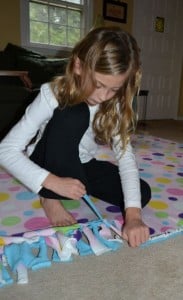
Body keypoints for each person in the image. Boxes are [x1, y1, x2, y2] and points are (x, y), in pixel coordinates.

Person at [0, 26, 151, 247]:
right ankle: (49, 197)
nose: (102, 96)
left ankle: (70, 186)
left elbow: (126, 161)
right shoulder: (52, 93)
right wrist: (52, 182)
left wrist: (134, 216)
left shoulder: (114, 104)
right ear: (79, 66)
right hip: (46, 162)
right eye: (98, 85)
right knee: (75, 113)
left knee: (140, 194)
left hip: (81, 163)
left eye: (113, 89)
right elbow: (5, 150)